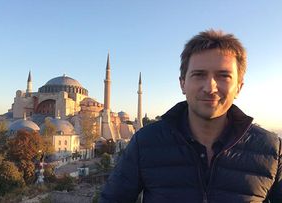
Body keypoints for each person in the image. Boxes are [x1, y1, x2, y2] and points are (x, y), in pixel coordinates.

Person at [100, 30, 282, 203]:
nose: (210, 88)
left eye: (223, 76)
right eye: (199, 74)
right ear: (182, 84)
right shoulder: (146, 143)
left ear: (239, 87)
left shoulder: (270, 150)